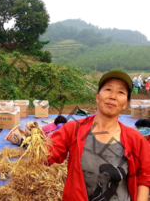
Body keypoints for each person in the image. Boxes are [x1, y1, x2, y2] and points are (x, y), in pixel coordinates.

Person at [25, 70, 150, 200]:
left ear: (126, 103)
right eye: (108, 89)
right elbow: (46, 156)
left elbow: (144, 178)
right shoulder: (73, 129)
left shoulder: (136, 139)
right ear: (97, 96)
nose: (113, 96)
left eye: (121, 92)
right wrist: (35, 139)